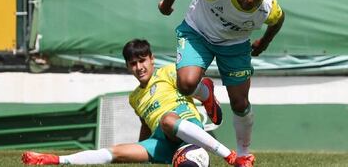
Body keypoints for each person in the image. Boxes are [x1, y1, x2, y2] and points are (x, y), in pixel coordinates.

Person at [21, 39, 237, 165]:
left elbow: (185, 85)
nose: (139, 67)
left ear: (151, 58)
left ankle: (229, 153)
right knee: (117, 151)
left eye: (142, 61)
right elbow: (145, 124)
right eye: (133, 63)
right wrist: (141, 149)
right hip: (162, 142)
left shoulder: (168, 72)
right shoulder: (134, 97)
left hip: (185, 127)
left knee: (168, 119)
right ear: (127, 66)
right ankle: (57, 160)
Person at [158, 0, 285, 166]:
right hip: (197, 33)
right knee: (186, 85)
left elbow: (278, 20)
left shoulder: (269, 8)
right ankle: (205, 93)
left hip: (234, 45)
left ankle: (244, 155)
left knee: (240, 104)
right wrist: (166, 5)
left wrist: (264, 42)